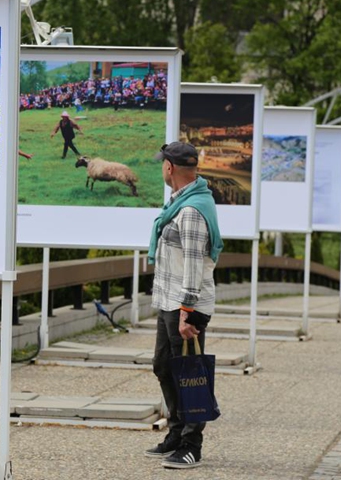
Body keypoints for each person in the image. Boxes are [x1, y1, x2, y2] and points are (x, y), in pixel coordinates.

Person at [146, 142, 223, 470]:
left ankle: (192, 444)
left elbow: (193, 265)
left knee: (190, 373)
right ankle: (176, 433)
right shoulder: (181, 203)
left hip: (185, 305)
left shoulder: (191, 211)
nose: (161, 168)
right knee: (164, 366)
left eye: (162, 163)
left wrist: (186, 313)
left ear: (170, 168)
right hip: (170, 301)